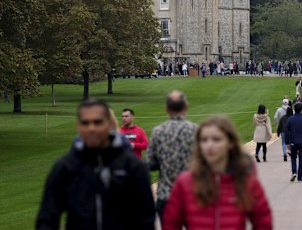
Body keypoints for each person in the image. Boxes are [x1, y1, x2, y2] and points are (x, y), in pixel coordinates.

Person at [36, 98, 155, 229]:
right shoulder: (65, 167)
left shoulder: (133, 167)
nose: (91, 128)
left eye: (98, 122)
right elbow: (47, 218)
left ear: (109, 124)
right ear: (78, 126)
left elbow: (146, 219)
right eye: (85, 123)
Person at [163, 115, 272, 230]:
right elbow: (171, 223)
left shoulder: (246, 181)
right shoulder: (185, 182)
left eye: (216, 139)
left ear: (230, 143)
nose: (209, 146)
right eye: (204, 140)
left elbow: (263, 221)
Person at [147, 90, 198, 223]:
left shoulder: (158, 132)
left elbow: (150, 164)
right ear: (186, 108)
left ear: (167, 110)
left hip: (166, 194)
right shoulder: (195, 130)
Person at [285, 103, 302, 182]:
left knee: (293, 157)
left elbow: (287, 132)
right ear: (301, 109)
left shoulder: (290, 119)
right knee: (301, 159)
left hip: (293, 141)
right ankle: (299, 177)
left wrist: (287, 143)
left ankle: (294, 172)